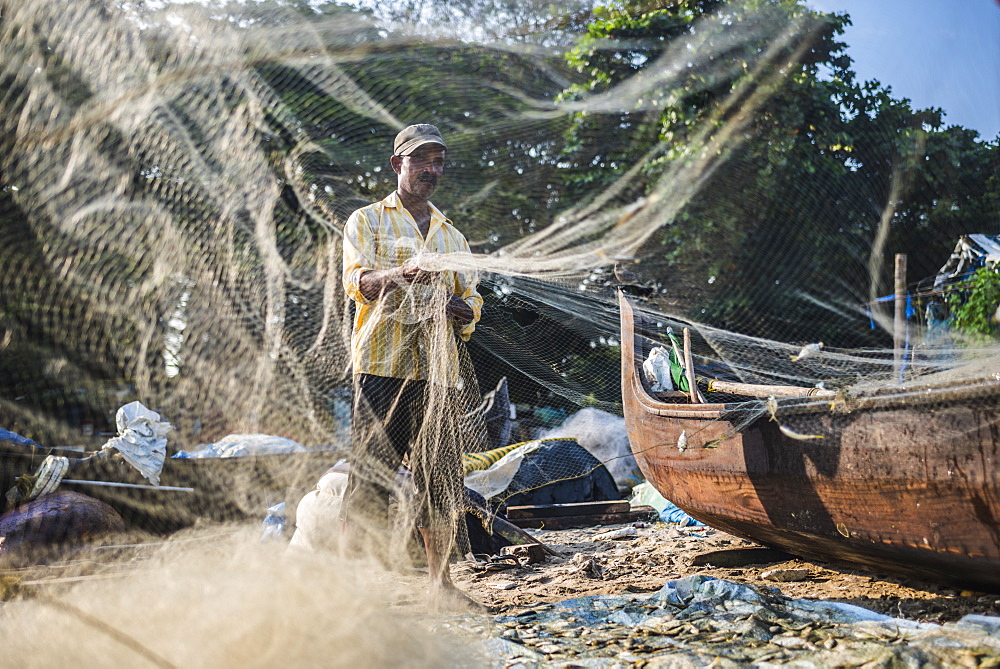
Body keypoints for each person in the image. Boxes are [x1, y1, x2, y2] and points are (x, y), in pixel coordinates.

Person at [340, 124, 483, 610]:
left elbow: (471, 302)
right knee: (369, 480)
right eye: (421, 160)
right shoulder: (367, 220)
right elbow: (356, 283)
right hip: (382, 364)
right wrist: (400, 274)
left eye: (439, 161)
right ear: (397, 165)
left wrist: (463, 312)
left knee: (439, 480)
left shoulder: (452, 235)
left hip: (438, 373)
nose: (431, 170)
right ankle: (353, 592)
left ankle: (441, 585)